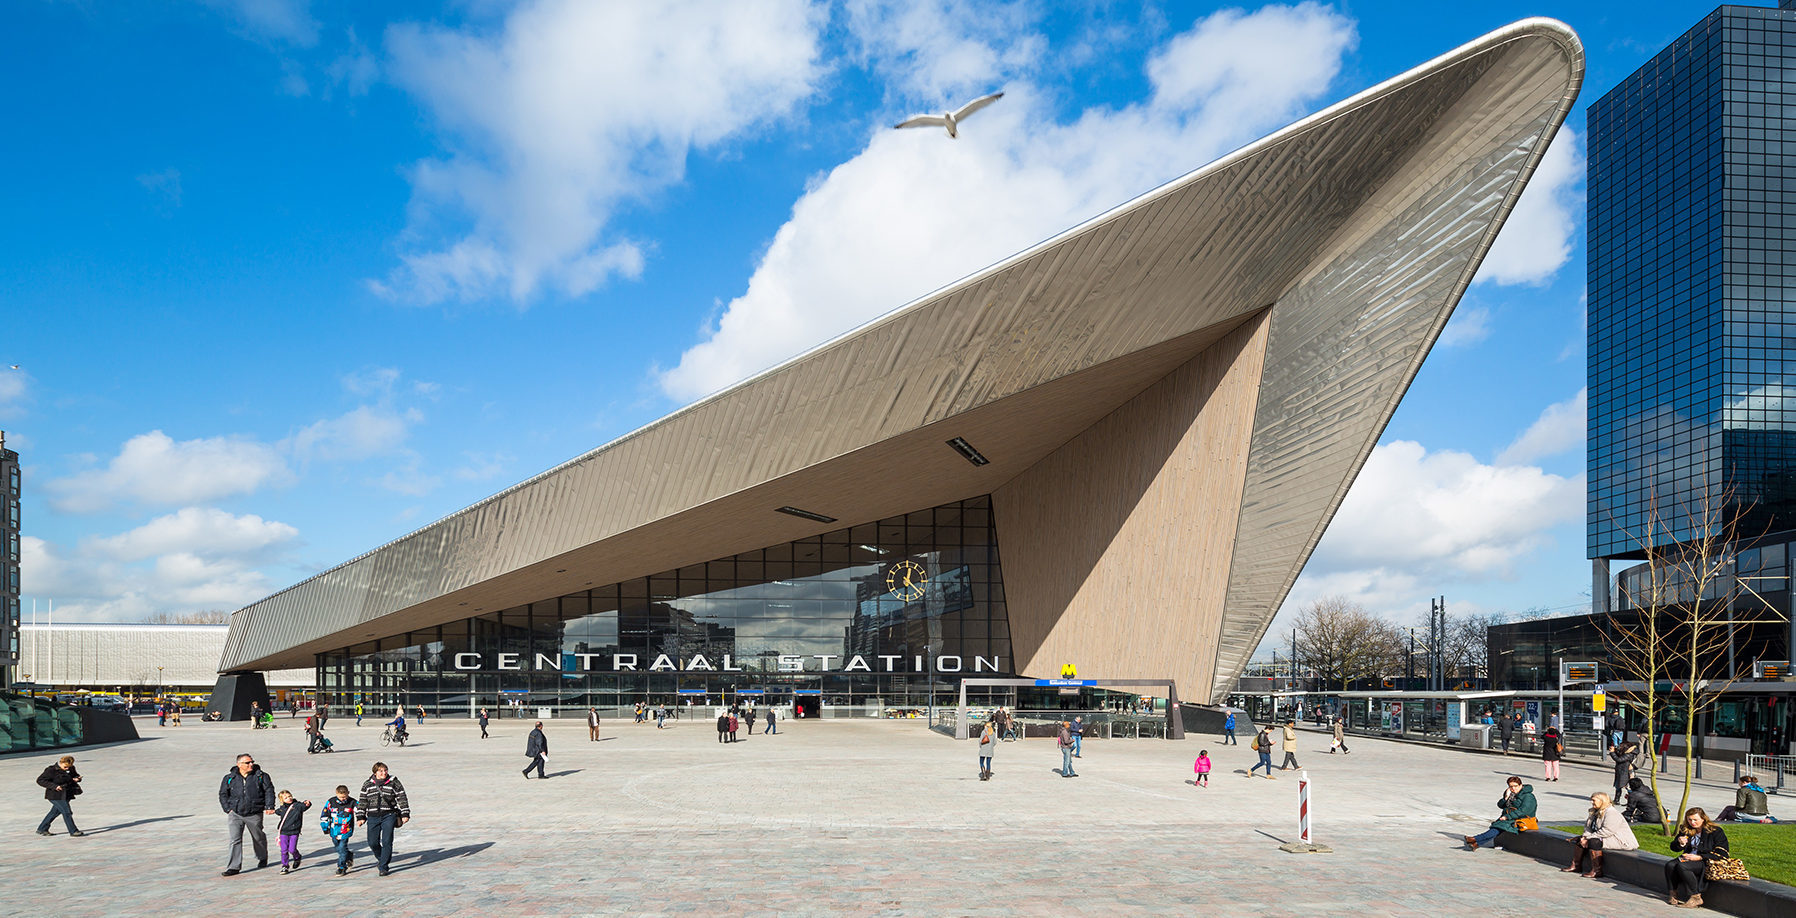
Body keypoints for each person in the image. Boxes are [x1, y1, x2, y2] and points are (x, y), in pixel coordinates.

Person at [218, 753, 275, 876]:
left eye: (252, 762)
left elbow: (269, 791)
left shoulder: (261, 776)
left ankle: (262, 857)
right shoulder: (230, 778)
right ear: (239, 764)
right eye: (247, 763)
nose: (251, 764)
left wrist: (269, 806)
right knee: (235, 839)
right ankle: (233, 867)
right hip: (235, 813)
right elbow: (223, 794)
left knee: (258, 837)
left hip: (254, 813)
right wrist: (227, 809)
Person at [1666, 806, 1730, 909]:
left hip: (1706, 860)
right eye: (1690, 820)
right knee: (1670, 865)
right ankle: (1673, 893)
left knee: (1683, 866)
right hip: (1688, 857)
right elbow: (1673, 848)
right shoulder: (1686, 829)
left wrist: (1699, 857)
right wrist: (1680, 843)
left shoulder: (1715, 831)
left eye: (1695, 820)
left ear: (1703, 819)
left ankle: (1695, 897)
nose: (1692, 822)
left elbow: (1723, 853)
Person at [1563, 792, 1636, 878]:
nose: (1592, 802)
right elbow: (1588, 827)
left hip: (1619, 840)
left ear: (1602, 801)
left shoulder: (1611, 812)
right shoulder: (1594, 811)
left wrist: (1588, 838)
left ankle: (1597, 870)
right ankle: (1576, 865)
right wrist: (1585, 837)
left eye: (1594, 800)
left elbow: (1607, 831)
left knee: (1594, 842)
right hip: (1604, 836)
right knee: (1580, 839)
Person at [356, 762, 410, 877]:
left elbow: (402, 797)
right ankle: (382, 859)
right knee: (372, 842)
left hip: (389, 815)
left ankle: (383, 867)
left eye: (385, 770)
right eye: (381, 771)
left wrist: (405, 813)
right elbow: (362, 801)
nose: (384, 773)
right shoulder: (367, 784)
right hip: (372, 816)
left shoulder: (394, 782)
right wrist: (360, 816)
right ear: (375, 772)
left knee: (387, 841)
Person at [1462, 776, 1536, 850]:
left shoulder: (1528, 796)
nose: (1513, 788)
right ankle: (1476, 844)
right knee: (1497, 827)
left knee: (1498, 828)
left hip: (1522, 819)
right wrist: (1505, 798)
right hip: (1510, 818)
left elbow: (1524, 811)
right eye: (1511, 786)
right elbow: (1500, 805)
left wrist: (1507, 817)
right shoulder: (1511, 794)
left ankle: (1475, 839)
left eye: (1515, 786)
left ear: (1520, 785)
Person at [34, 755, 84, 837]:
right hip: (55, 795)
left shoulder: (71, 768)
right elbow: (40, 780)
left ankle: (42, 829)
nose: (67, 768)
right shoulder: (51, 770)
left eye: (69, 767)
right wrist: (54, 786)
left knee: (54, 812)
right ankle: (73, 831)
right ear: (61, 763)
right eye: (65, 767)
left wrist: (77, 778)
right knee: (67, 812)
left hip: (66, 794)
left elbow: (75, 775)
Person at [320, 784, 357, 875]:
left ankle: (341, 867)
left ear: (348, 793)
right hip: (334, 830)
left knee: (342, 848)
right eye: (340, 797)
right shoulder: (331, 802)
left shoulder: (352, 802)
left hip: (345, 830)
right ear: (336, 794)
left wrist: (361, 818)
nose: (342, 799)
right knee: (338, 847)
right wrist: (325, 827)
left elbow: (360, 811)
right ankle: (349, 855)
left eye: (344, 797)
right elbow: (325, 814)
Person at [273, 790, 311, 874]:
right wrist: (272, 811)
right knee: (284, 850)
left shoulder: (297, 805)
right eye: (286, 798)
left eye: (290, 796)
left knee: (292, 849)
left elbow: (304, 806)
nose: (289, 798)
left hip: (294, 831)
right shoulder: (282, 808)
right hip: (283, 832)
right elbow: (278, 811)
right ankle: (285, 866)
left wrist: (307, 803)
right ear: (282, 800)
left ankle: (297, 857)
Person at [1609, 732, 1639, 802]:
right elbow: (1619, 755)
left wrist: (1612, 753)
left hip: (1626, 772)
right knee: (1618, 786)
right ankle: (1616, 800)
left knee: (1628, 787)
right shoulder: (1627, 753)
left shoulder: (1629, 754)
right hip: (1621, 772)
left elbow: (1619, 759)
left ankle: (1632, 801)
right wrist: (1614, 751)